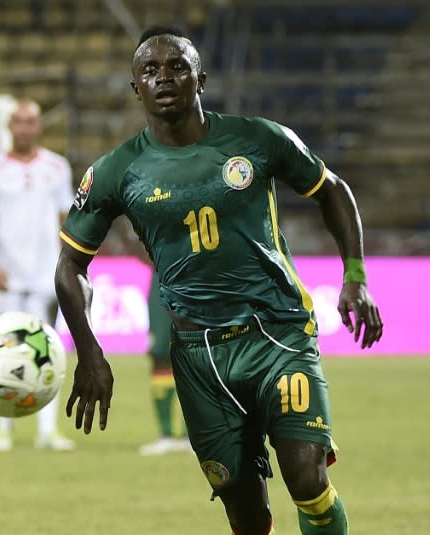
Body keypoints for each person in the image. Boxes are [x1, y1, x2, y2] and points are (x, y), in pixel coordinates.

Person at [55, 25, 383, 535]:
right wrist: (89, 352)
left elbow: (331, 190)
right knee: (245, 513)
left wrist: (356, 275)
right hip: (197, 353)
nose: (164, 76)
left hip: (277, 332)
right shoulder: (116, 172)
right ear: (134, 87)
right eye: (150, 70)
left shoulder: (258, 138)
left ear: (200, 79)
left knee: (306, 476)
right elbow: (70, 266)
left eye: (177, 67)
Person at [0, 98, 76, 452]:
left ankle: (48, 430)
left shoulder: (57, 167)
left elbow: (66, 216)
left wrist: (70, 263)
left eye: (31, 121)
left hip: (47, 273)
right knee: (2, 350)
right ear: (10, 126)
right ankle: (4, 428)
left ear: (38, 126)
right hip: (7, 276)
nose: (25, 128)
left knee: (48, 350)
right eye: (19, 121)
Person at [139, 270, 191, 455]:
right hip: (162, 276)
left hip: (195, 275)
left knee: (194, 353)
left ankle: (190, 436)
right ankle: (166, 435)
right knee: (160, 354)